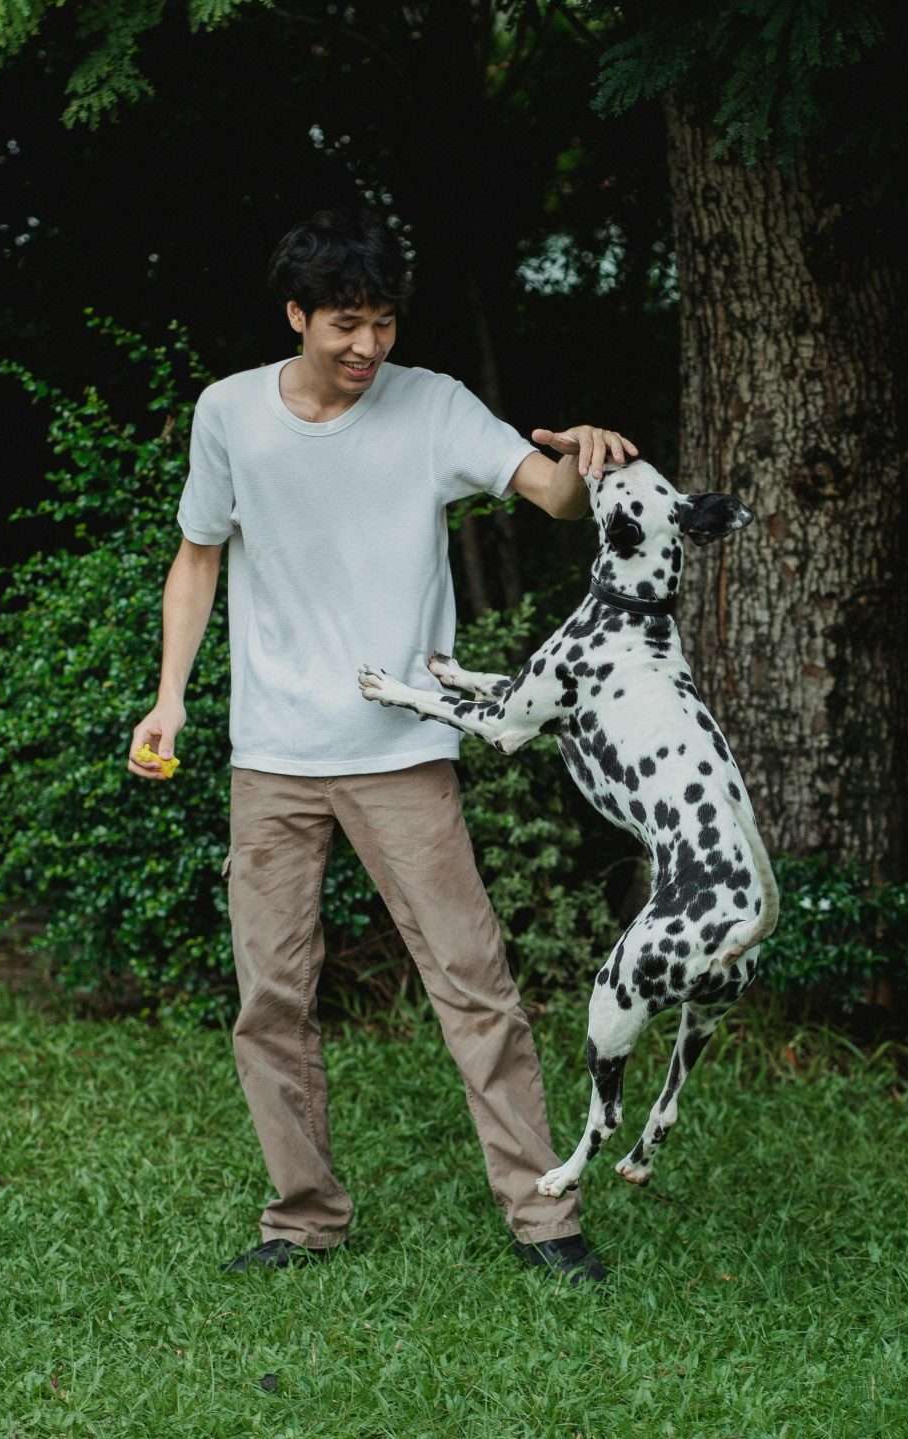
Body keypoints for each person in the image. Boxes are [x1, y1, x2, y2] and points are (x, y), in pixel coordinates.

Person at [128, 208, 635, 1286]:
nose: (368, 348)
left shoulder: (433, 406)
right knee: (271, 996)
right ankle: (301, 1217)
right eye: (345, 325)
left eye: (385, 324)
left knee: (473, 981)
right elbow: (196, 556)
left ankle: (544, 1219)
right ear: (296, 315)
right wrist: (169, 697)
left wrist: (585, 461)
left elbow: (544, 491)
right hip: (271, 757)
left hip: (400, 753)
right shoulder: (229, 415)